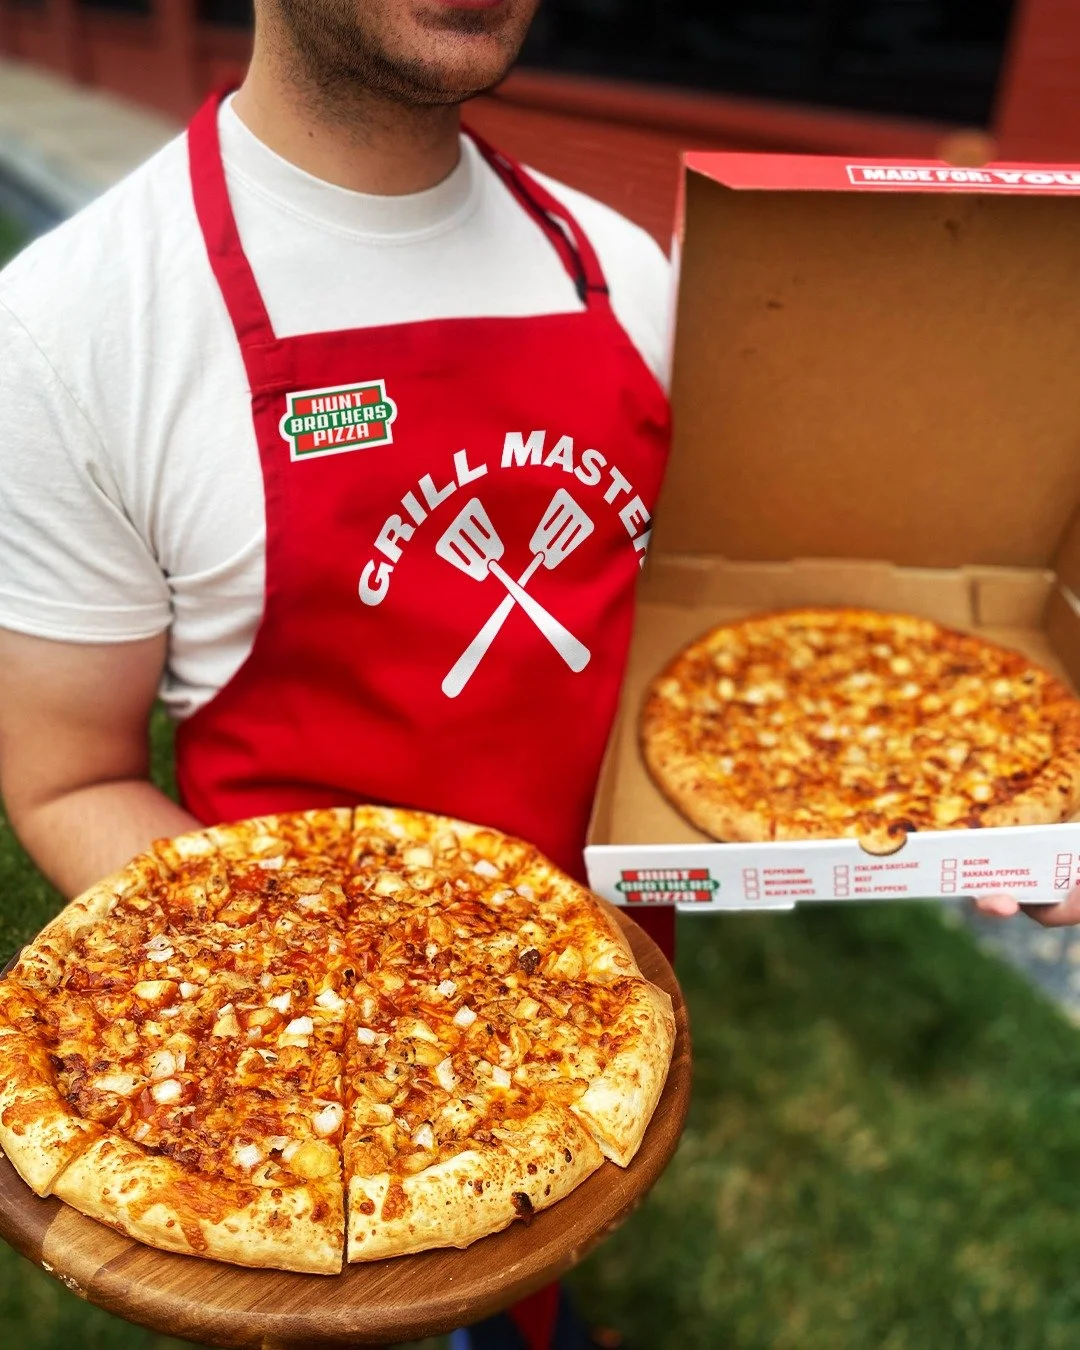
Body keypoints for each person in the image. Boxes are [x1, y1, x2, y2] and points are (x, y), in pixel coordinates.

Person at [0, 1, 673, 1346]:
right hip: (304, 1079)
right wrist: (389, 1047)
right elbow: (66, 774)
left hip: (598, 1012)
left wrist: (968, 825)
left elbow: (687, 669)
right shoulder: (74, 328)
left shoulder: (624, 273)